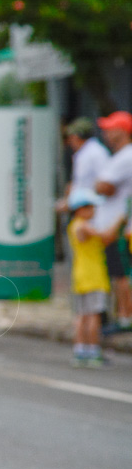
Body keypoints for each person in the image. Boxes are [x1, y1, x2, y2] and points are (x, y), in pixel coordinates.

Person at [66, 189, 123, 367]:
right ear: (80, 209)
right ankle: (92, 352)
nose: (94, 211)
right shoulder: (82, 225)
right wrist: (120, 218)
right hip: (93, 277)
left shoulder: (74, 226)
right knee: (93, 316)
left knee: (82, 315)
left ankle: (80, 351)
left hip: (81, 276)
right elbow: (107, 237)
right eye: (91, 207)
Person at [94, 111, 132, 333]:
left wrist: (100, 185)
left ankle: (125, 317)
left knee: (121, 274)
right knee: (117, 273)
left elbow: (103, 187)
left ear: (122, 131)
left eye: (110, 128)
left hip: (118, 228)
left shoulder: (126, 156)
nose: (106, 133)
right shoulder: (118, 156)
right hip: (114, 226)